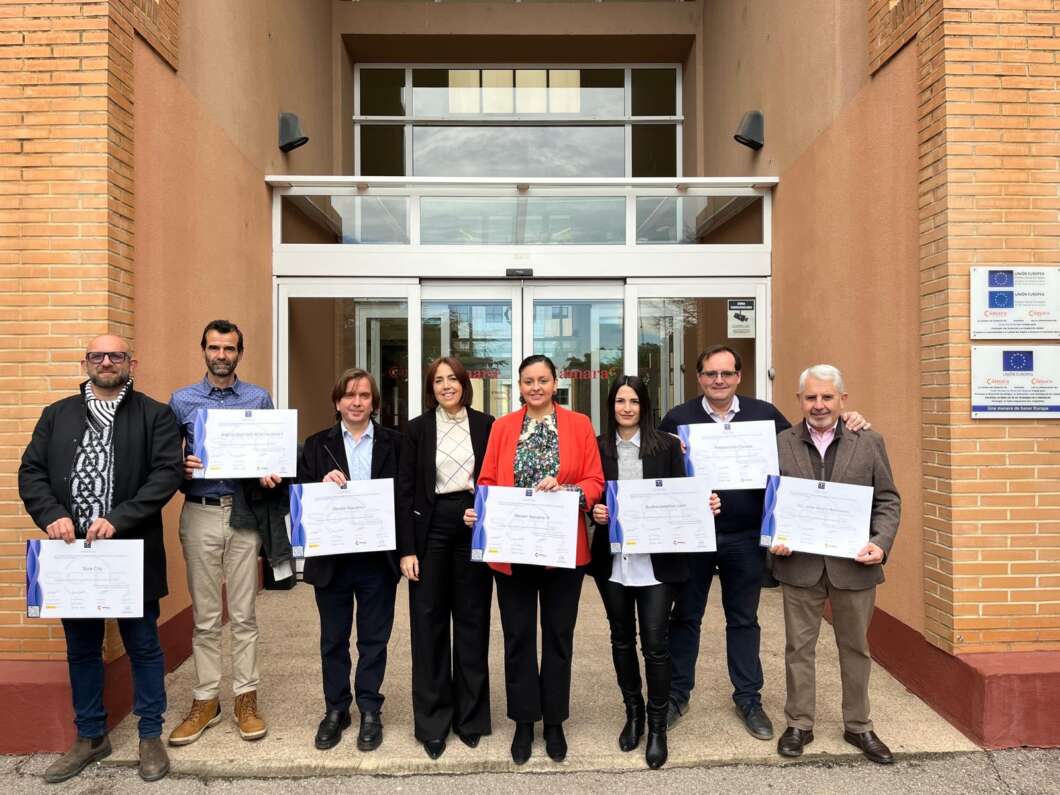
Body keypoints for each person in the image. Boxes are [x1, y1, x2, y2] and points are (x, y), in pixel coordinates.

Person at [658, 345, 869, 739]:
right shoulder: (677, 419)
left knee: (743, 619)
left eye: (726, 373)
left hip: (746, 537)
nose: (718, 380)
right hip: (694, 537)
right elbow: (658, 471)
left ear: (739, 377)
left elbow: (806, 441)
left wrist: (847, 417)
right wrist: (672, 453)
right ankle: (675, 695)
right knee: (685, 617)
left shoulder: (765, 415)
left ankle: (748, 699)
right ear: (699, 378)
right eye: (710, 374)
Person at [18, 335, 183, 783]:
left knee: (143, 646)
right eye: (98, 355)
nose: (107, 362)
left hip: (130, 552)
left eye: (116, 356)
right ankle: (91, 736)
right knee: (82, 648)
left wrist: (118, 518)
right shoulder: (56, 415)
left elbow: (166, 474)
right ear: (86, 362)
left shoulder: (155, 415)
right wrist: (51, 515)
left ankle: (150, 735)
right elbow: (31, 472)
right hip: (72, 555)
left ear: (132, 363)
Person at [464, 354, 603, 765]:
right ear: (520, 386)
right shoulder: (503, 427)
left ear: (555, 383)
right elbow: (487, 480)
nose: (536, 387)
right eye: (528, 381)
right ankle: (524, 721)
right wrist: (481, 511)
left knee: (558, 637)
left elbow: (595, 480)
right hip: (513, 550)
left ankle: (554, 720)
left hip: (562, 550)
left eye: (543, 380)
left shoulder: (579, 424)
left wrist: (568, 490)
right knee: (518, 638)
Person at [770, 365, 900, 764]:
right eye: (811, 397)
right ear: (799, 400)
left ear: (842, 399)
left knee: (856, 648)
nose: (819, 405)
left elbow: (888, 500)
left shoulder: (869, 441)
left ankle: (858, 725)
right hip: (799, 564)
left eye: (827, 397)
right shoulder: (780, 442)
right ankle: (799, 723)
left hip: (854, 565)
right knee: (798, 649)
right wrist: (773, 536)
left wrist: (880, 543)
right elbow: (769, 500)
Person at [589, 375, 720, 770]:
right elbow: (591, 492)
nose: (626, 408)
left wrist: (706, 505)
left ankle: (658, 726)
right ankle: (633, 714)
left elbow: (684, 495)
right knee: (621, 639)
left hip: (657, 562)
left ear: (644, 406)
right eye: (620, 401)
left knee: (655, 643)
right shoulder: (597, 446)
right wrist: (595, 511)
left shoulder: (666, 446)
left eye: (634, 401)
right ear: (611, 406)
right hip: (614, 561)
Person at [167, 320, 277, 746]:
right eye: (214, 348)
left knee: (244, 613)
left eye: (229, 348)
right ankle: (206, 700)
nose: (221, 355)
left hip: (243, 514)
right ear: (204, 351)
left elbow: (271, 451)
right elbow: (164, 461)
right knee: (207, 615)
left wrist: (271, 472)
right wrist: (180, 467)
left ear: (239, 354)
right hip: (199, 512)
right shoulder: (181, 400)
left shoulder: (258, 398)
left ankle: (245, 698)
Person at [298, 368, 402, 753]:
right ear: (337, 402)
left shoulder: (396, 443)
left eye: (364, 395)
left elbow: (406, 498)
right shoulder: (315, 445)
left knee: (374, 640)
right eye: (349, 395)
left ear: (374, 403)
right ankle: (337, 709)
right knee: (333, 639)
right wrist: (318, 486)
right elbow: (299, 497)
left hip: (378, 559)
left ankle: (370, 708)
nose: (356, 402)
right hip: (333, 560)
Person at [397, 357, 495, 760]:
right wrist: (406, 549)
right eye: (438, 380)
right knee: (429, 624)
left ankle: (470, 719)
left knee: (472, 623)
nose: (446, 385)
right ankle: (433, 722)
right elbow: (404, 490)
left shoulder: (487, 425)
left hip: (472, 526)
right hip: (431, 529)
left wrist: (484, 512)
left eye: (452, 378)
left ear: (464, 384)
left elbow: (496, 479)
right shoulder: (416, 429)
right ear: (431, 388)